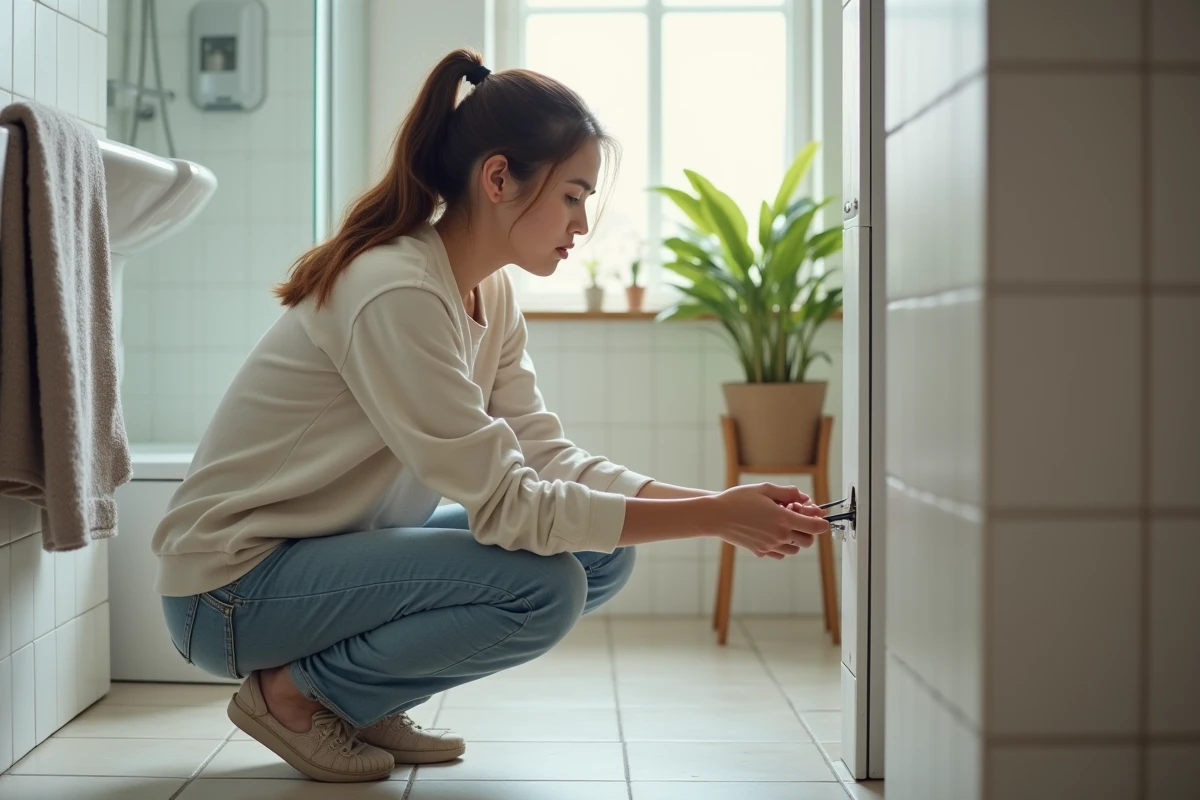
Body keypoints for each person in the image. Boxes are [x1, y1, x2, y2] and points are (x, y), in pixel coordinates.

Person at [154, 48, 830, 784]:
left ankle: (354, 697)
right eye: (573, 196)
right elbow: (509, 504)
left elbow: (546, 457)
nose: (582, 223)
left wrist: (717, 505)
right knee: (544, 586)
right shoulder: (394, 289)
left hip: (318, 562)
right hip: (229, 592)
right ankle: (295, 697)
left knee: (602, 553)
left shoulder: (490, 293)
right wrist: (714, 518)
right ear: (500, 178)